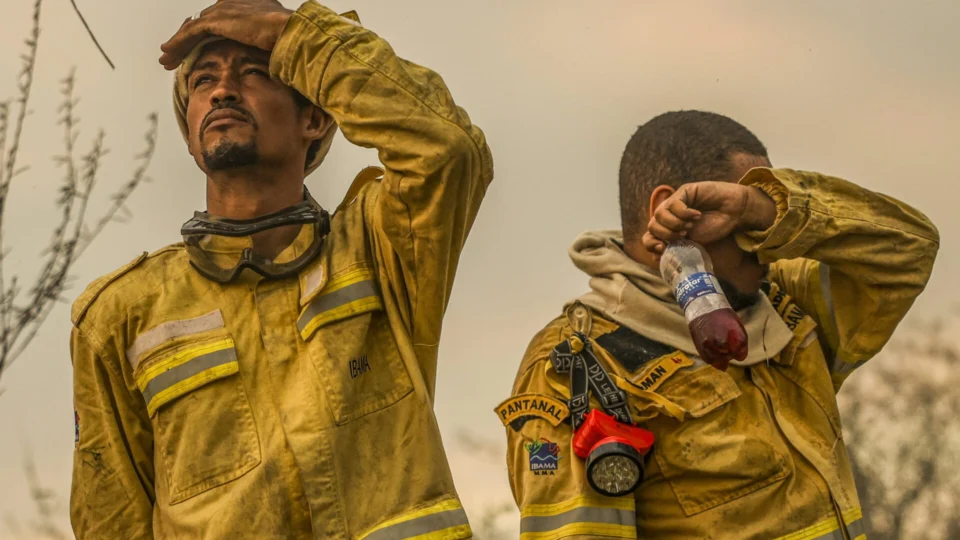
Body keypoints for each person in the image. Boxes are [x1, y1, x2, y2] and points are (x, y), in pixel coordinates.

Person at [69, 1, 492, 537]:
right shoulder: (122, 315)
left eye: (253, 72)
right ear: (192, 133)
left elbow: (446, 149)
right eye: (204, 81)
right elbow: (111, 522)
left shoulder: (379, 247)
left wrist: (294, 36)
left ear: (313, 117)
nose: (223, 91)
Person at [498, 110, 938, 539]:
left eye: (758, 225)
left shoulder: (786, 308)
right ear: (669, 208)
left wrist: (762, 207)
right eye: (742, 228)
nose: (763, 248)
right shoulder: (576, 366)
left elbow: (910, 251)